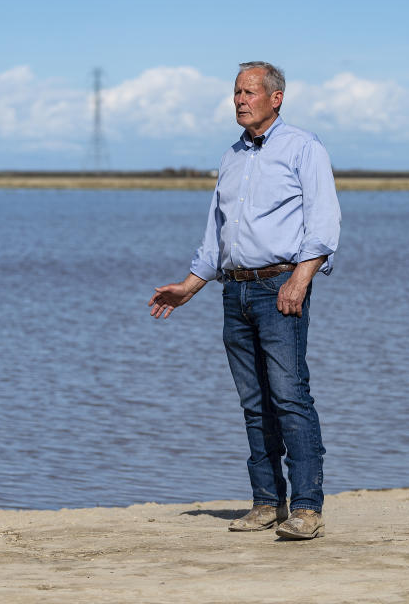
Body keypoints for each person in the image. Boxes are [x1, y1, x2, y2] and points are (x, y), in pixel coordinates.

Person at [148, 61, 341, 540]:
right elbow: (217, 233)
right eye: (236, 92)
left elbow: (324, 222)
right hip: (233, 291)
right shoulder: (232, 156)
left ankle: (307, 508)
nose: (239, 100)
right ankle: (266, 502)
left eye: (249, 92)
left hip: (280, 288)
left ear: (275, 98)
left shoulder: (303, 147)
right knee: (254, 403)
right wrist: (189, 286)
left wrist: (300, 280)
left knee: (290, 396)